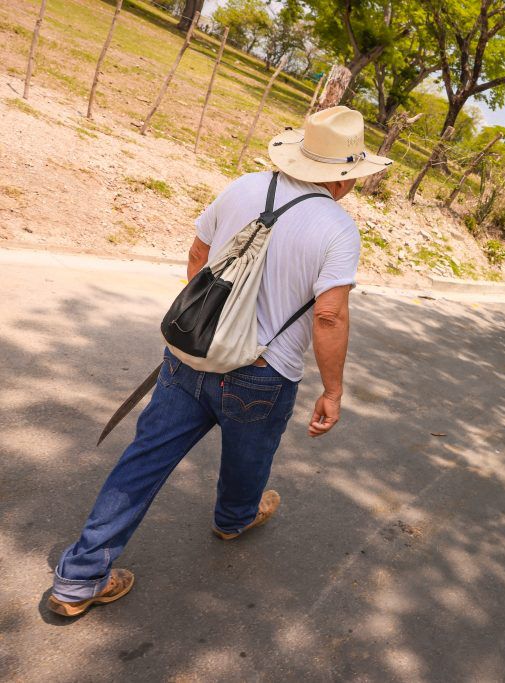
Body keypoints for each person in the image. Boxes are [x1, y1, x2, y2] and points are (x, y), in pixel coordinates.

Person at [47, 106, 391, 617]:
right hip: (262, 373)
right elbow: (329, 316)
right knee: (248, 460)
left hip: (190, 359)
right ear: (343, 180)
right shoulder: (338, 230)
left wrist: (207, 330)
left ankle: (77, 582)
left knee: (142, 462)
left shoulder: (244, 187)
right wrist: (333, 391)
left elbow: (197, 256)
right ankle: (233, 519)